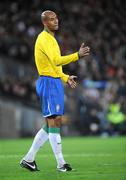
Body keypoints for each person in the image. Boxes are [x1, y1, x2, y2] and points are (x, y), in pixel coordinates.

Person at [20, 10, 90, 172]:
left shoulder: (51, 38)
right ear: (45, 22)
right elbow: (57, 60)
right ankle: (61, 163)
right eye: (51, 19)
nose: (56, 21)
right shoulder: (44, 39)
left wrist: (65, 78)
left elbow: (55, 66)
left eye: (56, 18)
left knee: (52, 123)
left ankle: (29, 159)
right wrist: (77, 56)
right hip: (48, 83)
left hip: (54, 81)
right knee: (55, 121)